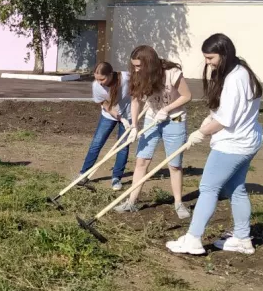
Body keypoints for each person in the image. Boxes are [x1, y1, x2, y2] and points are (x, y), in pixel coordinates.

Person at [167, 34, 263, 255]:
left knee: (208, 189)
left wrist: (200, 133)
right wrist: (210, 118)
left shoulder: (234, 79)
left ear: (224, 53)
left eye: (211, 57)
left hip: (232, 145)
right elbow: (227, 111)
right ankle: (242, 238)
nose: (208, 62)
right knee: (235, 188)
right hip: (248, 140)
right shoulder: (241, 71)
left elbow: (225, 120)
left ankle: (193, 239)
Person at [117, 45, 193, 218]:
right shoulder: (138, 75)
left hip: (175, 118)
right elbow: (136, 100)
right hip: (152, 117)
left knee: (174, 164)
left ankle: (179, 203)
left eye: (139, 66)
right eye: (134, 65)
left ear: (149, 64)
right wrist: (134, 126)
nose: (136, 69)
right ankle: (131, 202)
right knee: (141, 160)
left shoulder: (171, 72)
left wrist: (167, 109)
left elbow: (187, 96)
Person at [78, 62, 132, 191]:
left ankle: (116, 178)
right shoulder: (97, 86)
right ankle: (84, 174)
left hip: (128, 114)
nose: (100, 82)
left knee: (123, 147)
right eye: (96, 78)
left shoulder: (126, 78)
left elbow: (142, 84)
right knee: (96, 144)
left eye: (102, 79)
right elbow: (106, 105)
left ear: (111, 74)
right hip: (109, 115)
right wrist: (119, 117)